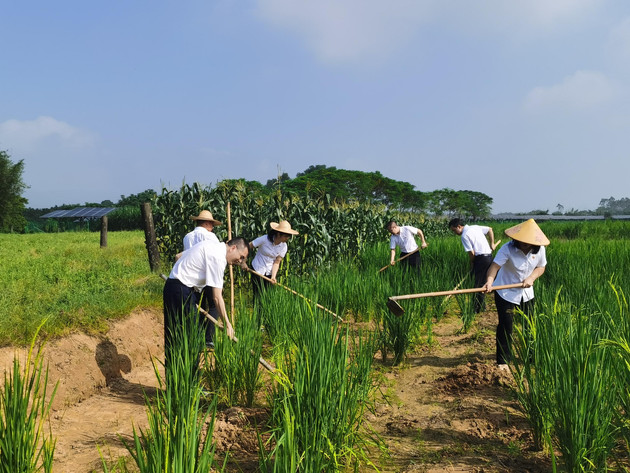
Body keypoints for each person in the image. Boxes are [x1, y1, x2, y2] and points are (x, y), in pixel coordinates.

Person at [162, 237, 249, 367]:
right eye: (241, 256)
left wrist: (183, 282)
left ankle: (177, 386)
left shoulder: (210, 245)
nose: (240, 261)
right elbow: (217, 297)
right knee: (191, 339)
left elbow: (178, 256)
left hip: (175, 288)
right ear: (233, 248)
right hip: (181, 291)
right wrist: (227, 324)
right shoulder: (218, 257)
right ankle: (191, 384)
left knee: (175, 338)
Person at [482, 219, 549, 368]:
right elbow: (494, 266)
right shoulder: (507, 249)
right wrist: (489, 281)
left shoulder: (540, 249)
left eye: (528, 242)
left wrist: (531, 277)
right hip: (505, 292)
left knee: (530, 325)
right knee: (506, 326)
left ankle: (531, 357)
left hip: (527, 293)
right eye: (522, 241)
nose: (525, 244)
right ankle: (503, 361)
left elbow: (541, 267)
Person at [448, 218, 500, 313]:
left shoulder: (464, 235)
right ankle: (481, 305)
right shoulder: (475, 227)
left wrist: (472, 263)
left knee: (478, 284)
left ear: (459, 226)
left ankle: (478, 308)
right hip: (489, 257)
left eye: (454, 230)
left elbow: (471, 253)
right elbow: (490, 229)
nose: (455, 233)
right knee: (482, 282)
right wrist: (492, 243)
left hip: (481, 259)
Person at [249, 220, 299, 299]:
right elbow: (250, 246)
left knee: (267, 297)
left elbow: (277, 262)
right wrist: (243, 260)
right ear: (279, 234)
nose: (287, 238)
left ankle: (264, 312)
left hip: (269, 272)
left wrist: (273, 276)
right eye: (286, 236)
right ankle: (257, 311)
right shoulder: (264, 239)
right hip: (257, 270)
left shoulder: (284, 246)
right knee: (258, 296)